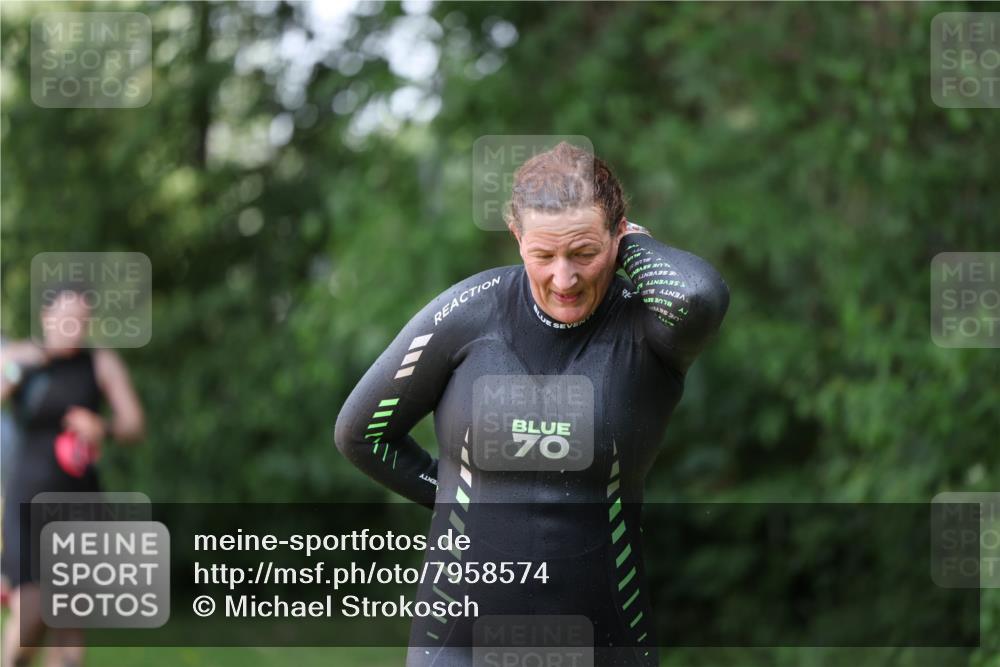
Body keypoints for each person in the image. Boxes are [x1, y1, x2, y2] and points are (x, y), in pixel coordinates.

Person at [334, 142, 729, 666]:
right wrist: (460, 495)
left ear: (617, 235)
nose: (563, 280)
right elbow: (361, 436)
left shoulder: (646, 330)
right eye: (543, 254)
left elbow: (697, 296)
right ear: (516, 238)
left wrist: (631, 246)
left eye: (584, 252)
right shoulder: (468, 314)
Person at [1, 285, 145, 667]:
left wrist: (105, 428)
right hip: (26, 504)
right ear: (46, 318)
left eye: (82, 321)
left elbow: (134, 423)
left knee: (70, 630)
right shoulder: (19, 357)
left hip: (80, 502)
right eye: (67, 320)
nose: (75, 328)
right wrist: (25, 365)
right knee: (31, 615)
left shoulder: (100, 363)